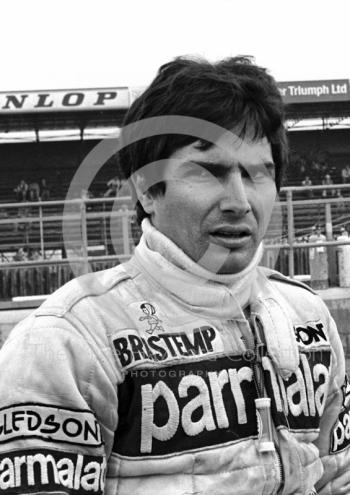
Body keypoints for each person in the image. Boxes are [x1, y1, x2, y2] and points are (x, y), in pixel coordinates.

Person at [0, 56, 348, 495]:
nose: (240, 200)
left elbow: (339, 476)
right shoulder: (68, 339)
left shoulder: (308, 317)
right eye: (210, 172)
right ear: (147, 189)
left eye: (258, 173)